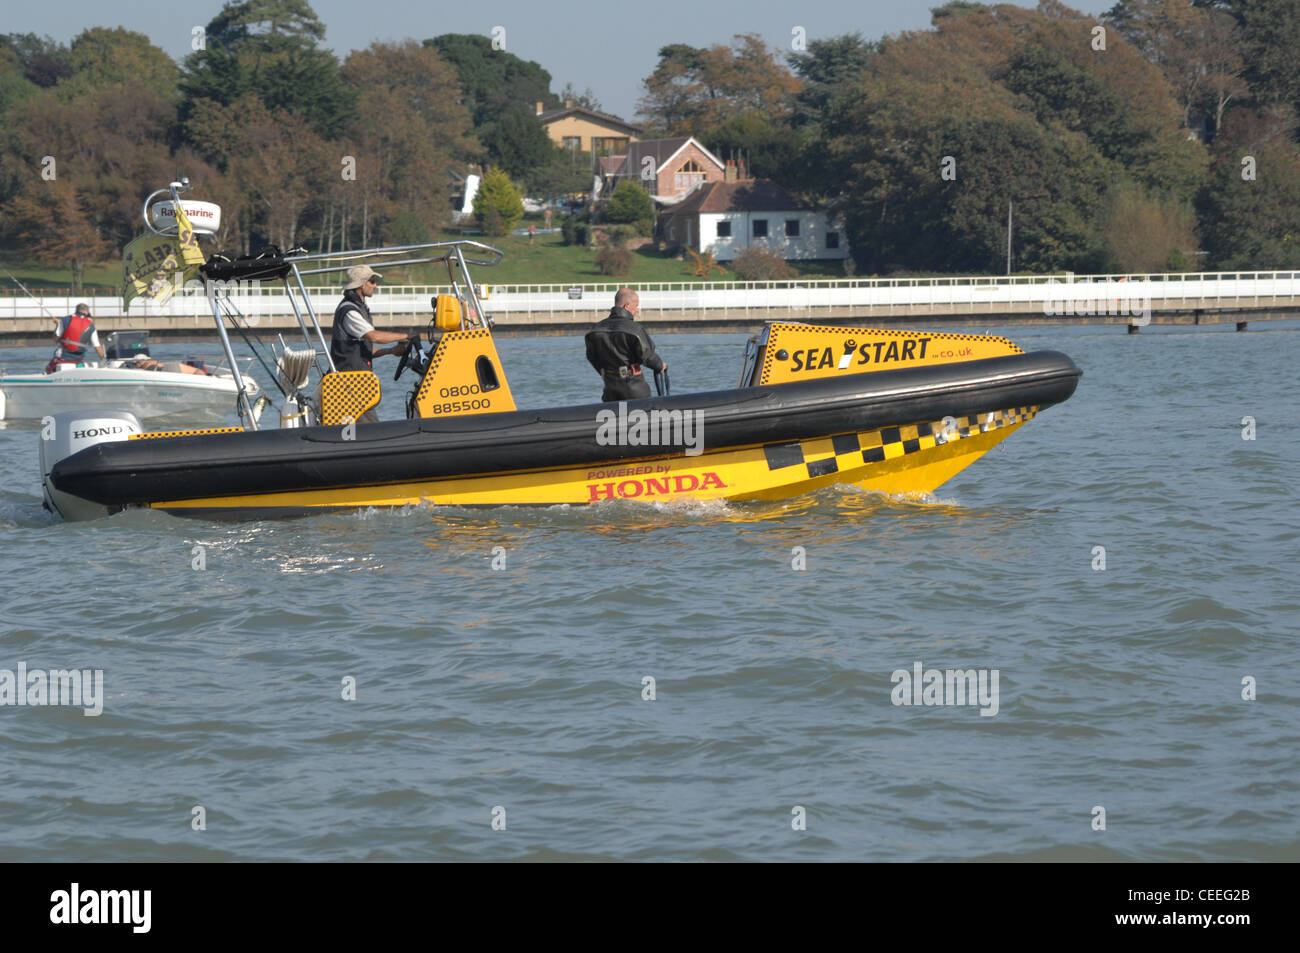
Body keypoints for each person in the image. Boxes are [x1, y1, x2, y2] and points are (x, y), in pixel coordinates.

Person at [330, 265, 414, 423]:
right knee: (368, 429)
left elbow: (363, 349)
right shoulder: (350, 311)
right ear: (362, 284)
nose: (375, 286)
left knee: (368, 427)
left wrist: (391, 351)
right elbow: (373, 336)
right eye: (373, 281)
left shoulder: (357, 308)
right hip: (349, 386)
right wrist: (407, 335)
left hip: (357, 383)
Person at [585, 288, 666, 401]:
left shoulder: (596, 329)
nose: (637, 310)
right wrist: (660, 365)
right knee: (641, 416)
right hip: (634, 388)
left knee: (612, 417)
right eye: (636, 306)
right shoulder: (635, 329)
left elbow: (592, 357)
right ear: (627, 306)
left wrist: (607, 373)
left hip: (610, 388)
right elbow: (647, 356)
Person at [47, 303, 105, 372]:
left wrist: (57, 325)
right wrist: (105, 362)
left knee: (47, 370)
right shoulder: (91, 325)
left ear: (76, 310)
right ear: (86, 312)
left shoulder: (65, 320)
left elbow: (55, 340)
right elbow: (97, 347)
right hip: (78, 361)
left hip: (61, 360)